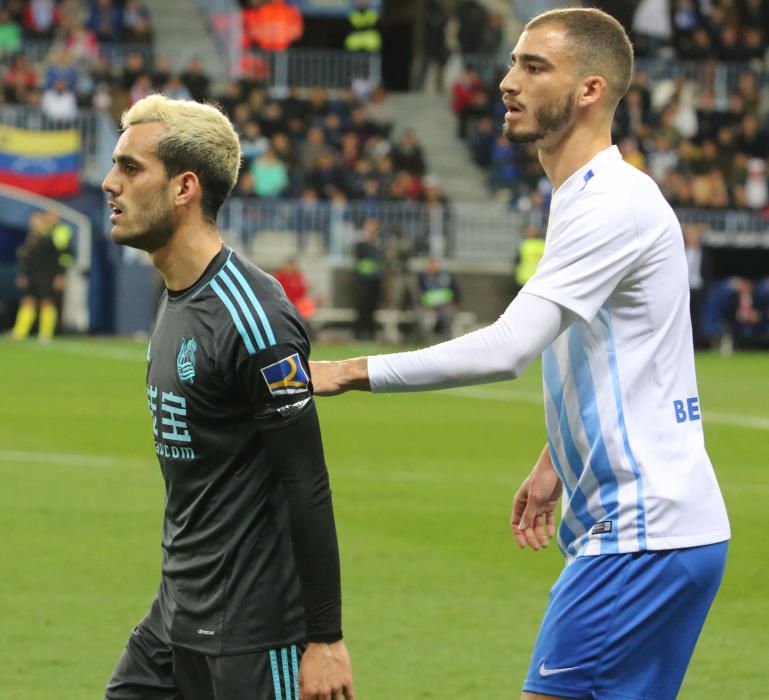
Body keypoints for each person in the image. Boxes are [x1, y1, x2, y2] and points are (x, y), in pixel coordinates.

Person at [310, 8, 730, 700]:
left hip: (638, 535)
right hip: (663, 529)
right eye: (511, 63)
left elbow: (508, 348)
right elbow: (622, 349)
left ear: (590, 90)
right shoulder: (585, 195)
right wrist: (553, 460)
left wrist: (347, 370)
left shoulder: (607, 203)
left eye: (534, 67)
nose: (508, 82)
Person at [101, 94, 354, 700]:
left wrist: (324, 639)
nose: (110, 183)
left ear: (185, 187)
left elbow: (306, 481)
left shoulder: (254, 316)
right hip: (176, 614)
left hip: (255, 632)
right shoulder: (176, 295)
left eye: (131, 168)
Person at [11, 211, 70, 341]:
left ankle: (45, 334)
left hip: (46, 276)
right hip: (32, 276)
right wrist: (23, 274)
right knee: (28, 301)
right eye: (33, 221)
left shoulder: (49, 239)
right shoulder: (30, 239)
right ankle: (20, 333)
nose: (34, 223)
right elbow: (26, 260)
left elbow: (58, 259)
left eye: (37, 221)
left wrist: (59, 275)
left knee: (46, 302)